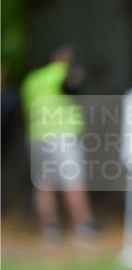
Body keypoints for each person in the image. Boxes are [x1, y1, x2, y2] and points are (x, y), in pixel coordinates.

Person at [20, 46, 96, 243]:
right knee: (73, 181)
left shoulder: (31, 80)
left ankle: (50, 230)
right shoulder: (63, 72)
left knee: (43, 185)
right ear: (61, 58)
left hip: (36, 137)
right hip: (62, 135)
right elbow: (73, 86)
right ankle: (83, 227)